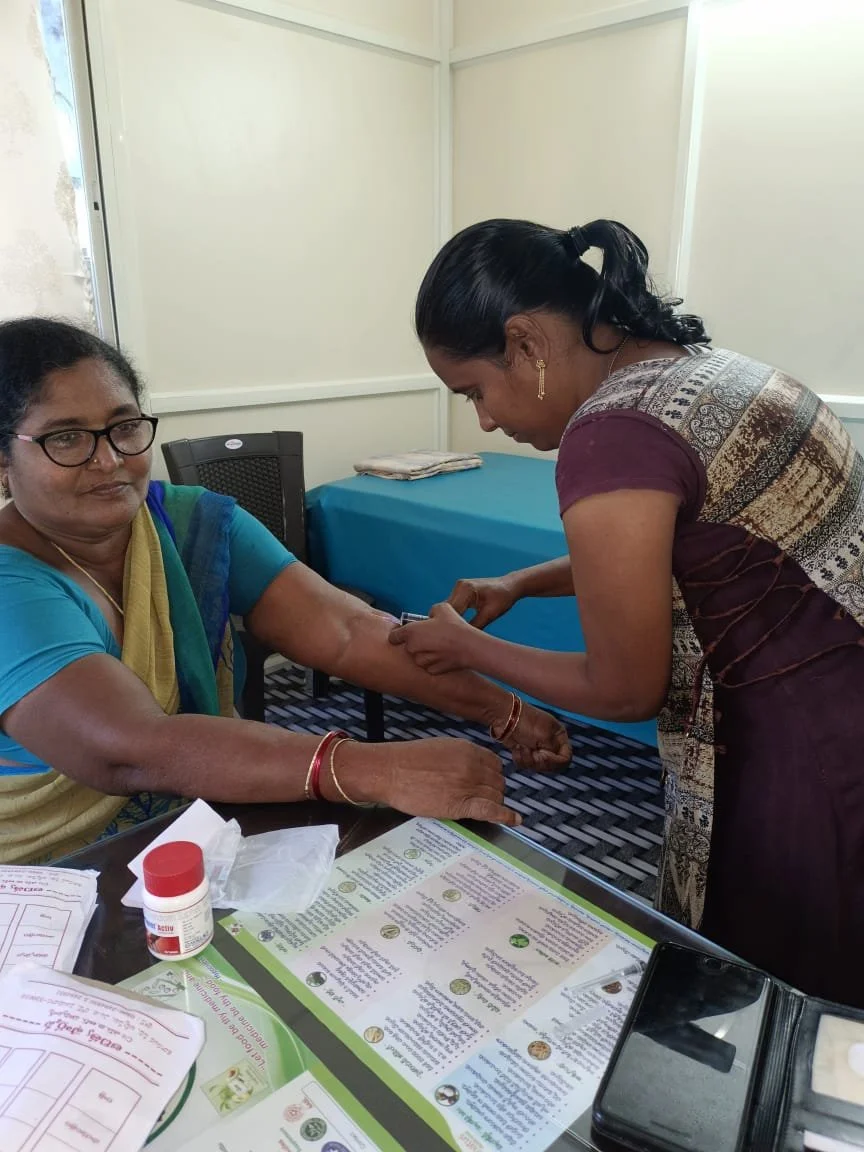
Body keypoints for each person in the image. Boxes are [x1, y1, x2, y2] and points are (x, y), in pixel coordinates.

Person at [391, 216, 864, 1005]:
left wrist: (469, 650)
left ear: (527, 344)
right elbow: (681, 551)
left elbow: (623, 690)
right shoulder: (702, 371)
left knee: (770, 1002)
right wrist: (521, 584)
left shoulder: (609, 434)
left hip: (794, 758)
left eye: (475, 389)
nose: (482, 419)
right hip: (841, 698)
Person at [0, 318, 571, 866]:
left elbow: (346, 633)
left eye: (124, 427)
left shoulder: (191, 523)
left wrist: (503, 709)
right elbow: (129, 747)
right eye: (66, 438)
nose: (110, 460)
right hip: (43, 877)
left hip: (190, 833)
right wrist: (375, 771)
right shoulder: (10, 584)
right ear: (4, 460)